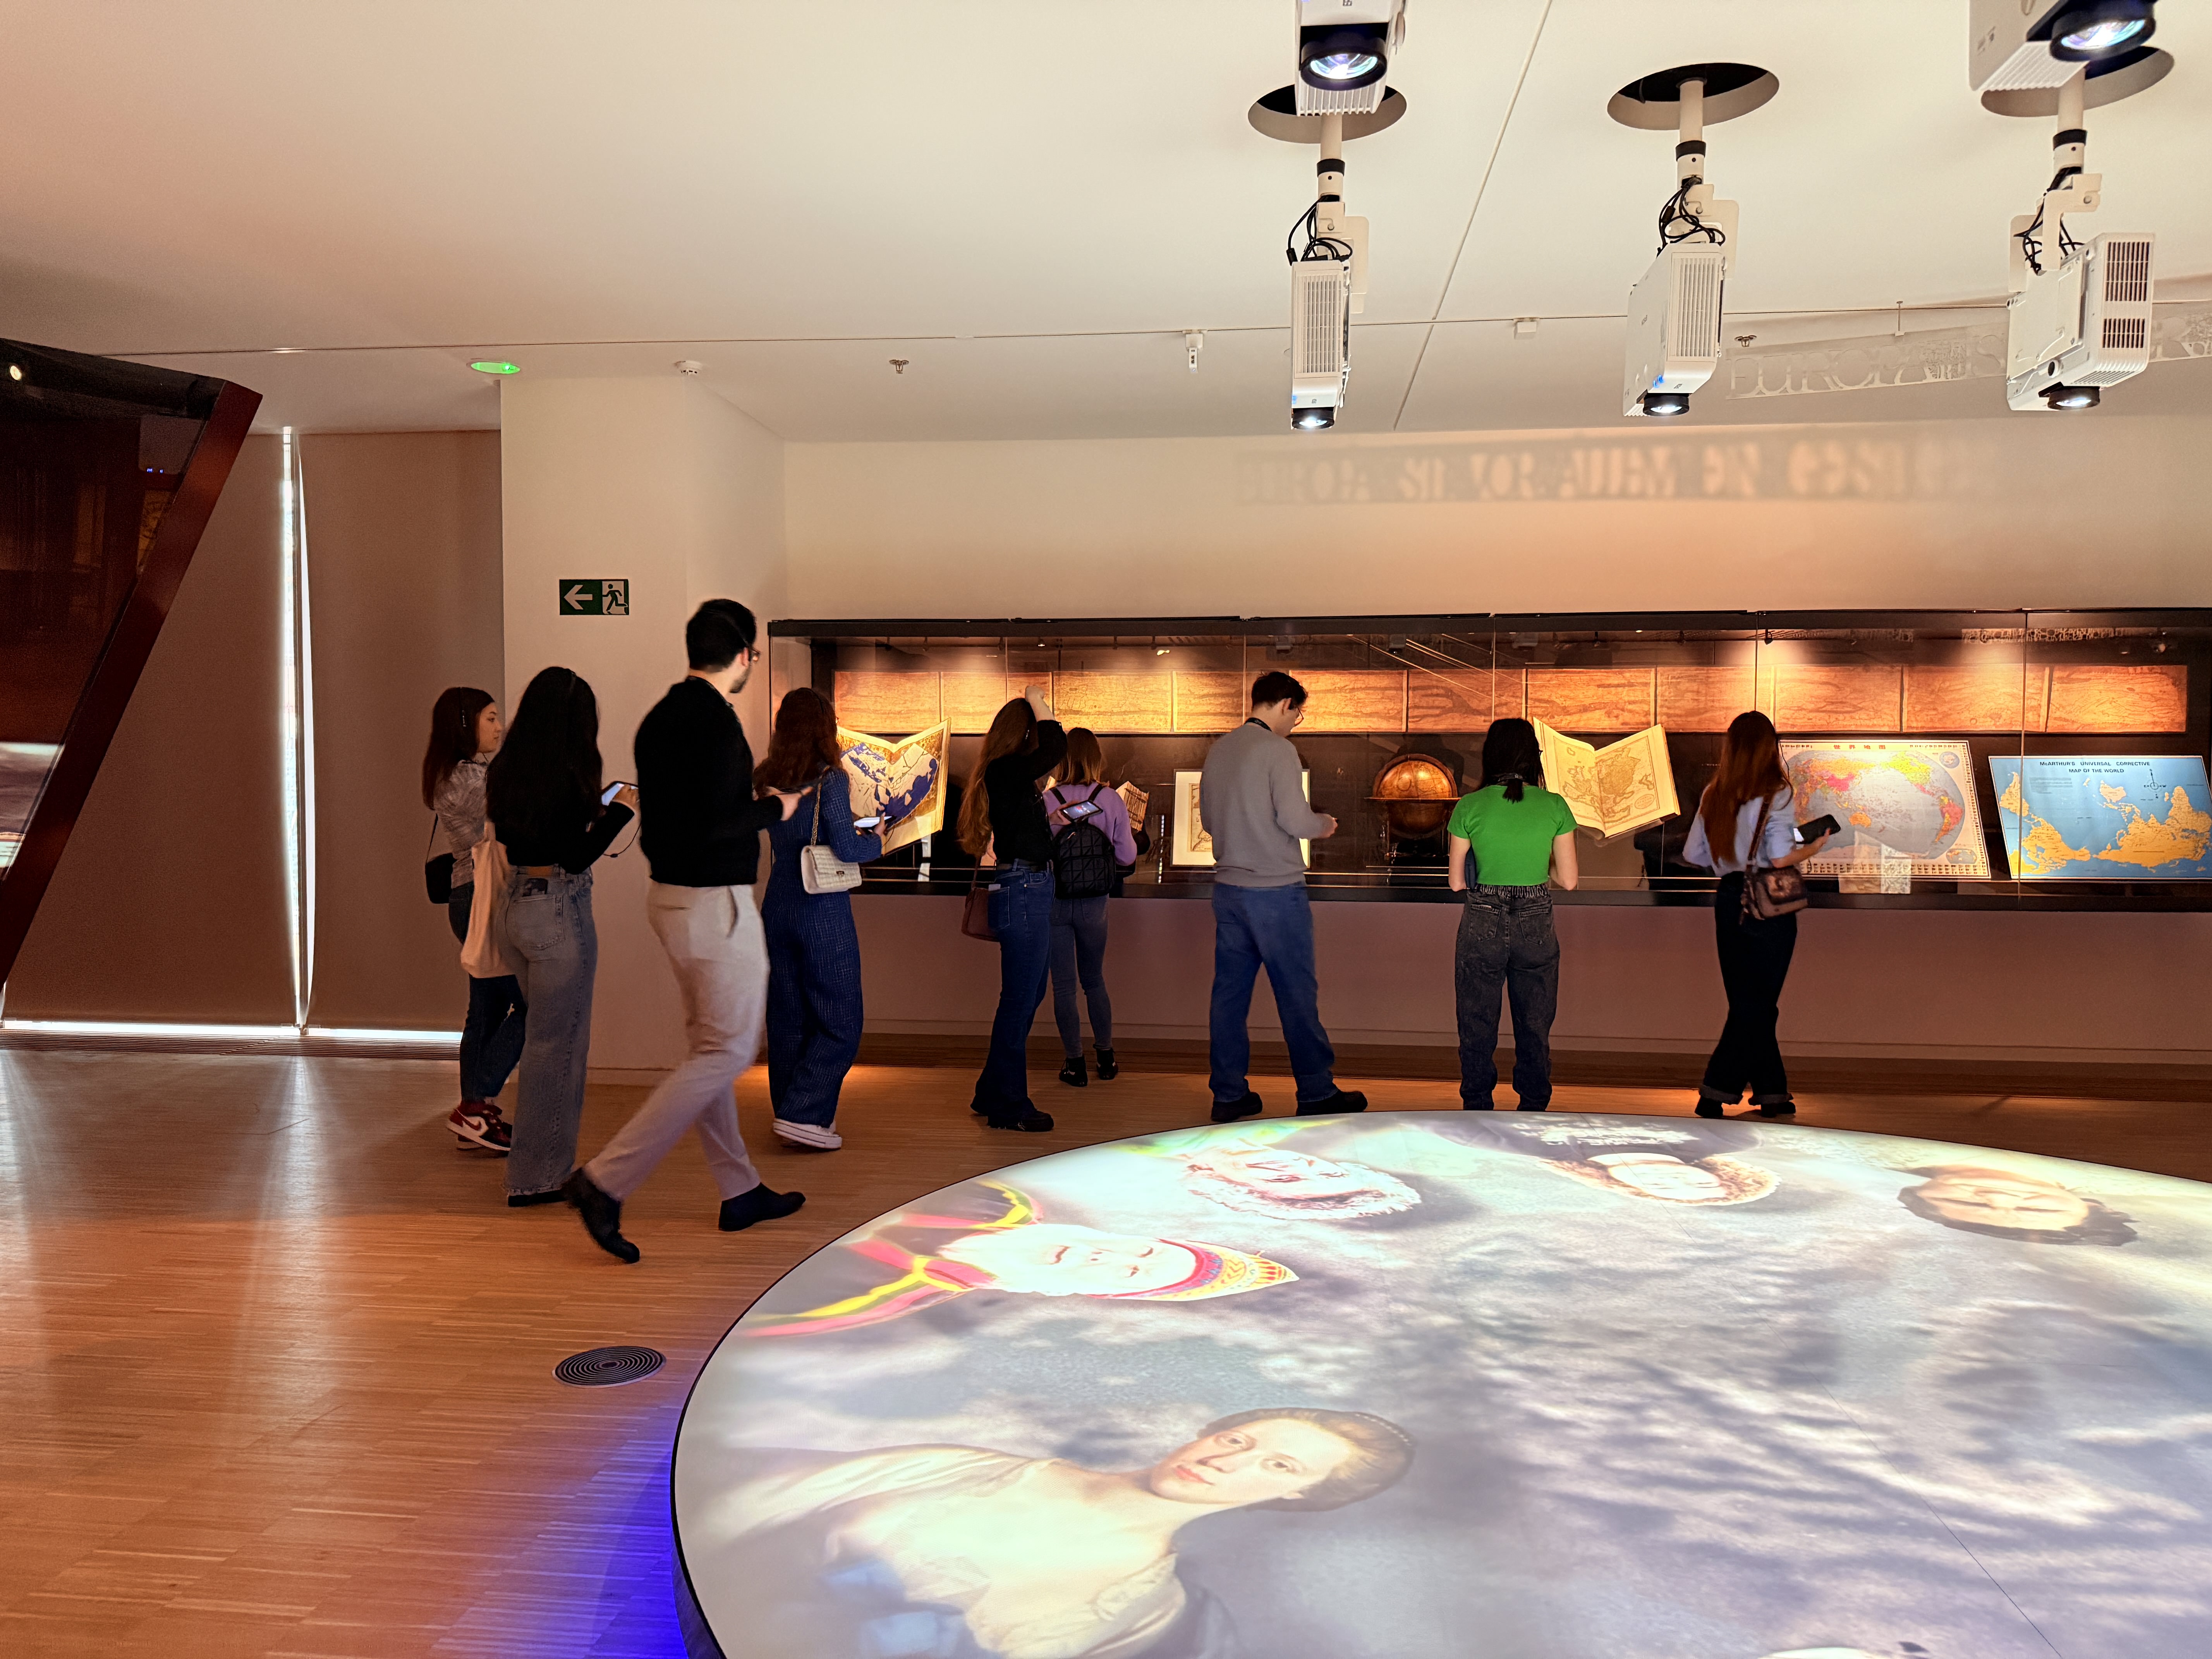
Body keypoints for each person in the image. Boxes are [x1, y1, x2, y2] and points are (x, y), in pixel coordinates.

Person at [707, 1408, 1414, 1659]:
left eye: (1278, 1464)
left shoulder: (1153, 1612)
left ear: (1297, 1493)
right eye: (1237, 1438)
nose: (1226, 1461)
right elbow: (733, 1511)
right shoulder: (974, 1467)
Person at [565, 600, 809, 1263]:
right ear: (744, 656)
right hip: (713, 904)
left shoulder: (660, 717)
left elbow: (685, 815)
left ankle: (740, 1188)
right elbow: (716, 822)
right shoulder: (717, 723)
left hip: (670, 900)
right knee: (726, 1053)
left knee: (710, 1047)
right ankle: (605, 1180)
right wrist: (775, 807)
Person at [740, 1177, 1296, 1336]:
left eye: (1130, 1274)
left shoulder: (868, 1300)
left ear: (1081, 1295)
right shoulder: (1003, 1200)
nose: (1104, 1255)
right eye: (1143, 1249)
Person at [486, 666, 635, 1206]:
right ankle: (538, 1176)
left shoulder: (507, 770)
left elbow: (529, 835)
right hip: (557, 908)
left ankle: (534, 1170)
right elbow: (574, 855)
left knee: (543, 1041)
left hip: (516, 907)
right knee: (560, 1047)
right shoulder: (570, 774)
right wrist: (620, 813)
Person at [1199, 672, 1365, 1124]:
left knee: (1229, 997)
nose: (1296, 722)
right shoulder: (1278, 751)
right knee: (1296, 994)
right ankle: (1316, 1091)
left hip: (1229, 891)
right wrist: (1324, 824)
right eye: (1298, 714)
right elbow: (1295, 820)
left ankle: (1229, 1094)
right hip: (1275, 892)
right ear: (1286, 704)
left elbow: (1209, 821)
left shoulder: (1220, 749)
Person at [1681, 710, 1830, 1120]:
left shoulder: (1714, 792)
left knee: (1750, 1002)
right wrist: (1813, 848)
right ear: (1769, 747)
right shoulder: (1777, 792)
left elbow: (1694, 854)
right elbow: (1780, 857)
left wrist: (1732, 852)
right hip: (1769, 903)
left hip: (1730, 900)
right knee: (1758, 1003)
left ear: (1730, 747)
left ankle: (1772, 1092)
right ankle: (1714, 1091)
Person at [756, 687, 881, 1151]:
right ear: (825, 728)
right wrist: (877, 838)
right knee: (841, 1017)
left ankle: (790, 1113)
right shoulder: (831, 779)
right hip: (821, 907)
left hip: (777, 903)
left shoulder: (766, 776)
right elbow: (846, 847)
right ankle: (804, 1114)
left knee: (787, 1017)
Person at [1445, 717, 1578, 1112]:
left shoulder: (1469, 806)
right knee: (1535, 1024)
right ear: (1533, 757)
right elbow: (1569, 880)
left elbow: (1457, 882)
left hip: (1483, 915)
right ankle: (1534, 1106)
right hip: (1536, 916)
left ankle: (1477, 1105)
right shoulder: (1555, 806)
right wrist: (1540, 861)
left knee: (1476, 1022)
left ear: (1490, 756)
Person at [960, 687, 1068, 1132]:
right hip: (1024, 889)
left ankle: (992, 1090)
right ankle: (1008, 1104)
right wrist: (1037, 699)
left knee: (1026, 996)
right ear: (1025, 736)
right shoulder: (1006, 770)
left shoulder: (1006, 775)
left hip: (1026, 887)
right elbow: (1057, 746)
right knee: (1020, 1000)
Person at [422, 684, 524, 1152]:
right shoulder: (466, 779)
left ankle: (475, 1116)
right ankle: (473, 1107)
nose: (500, 727)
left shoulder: (459, 773)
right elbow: (515, 817)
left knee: (485, 1010)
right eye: (491, 718)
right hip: (482, 898)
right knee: (530, 1005)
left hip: (475, 897)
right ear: (465, 725)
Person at [1043, 728, 1142, 1089]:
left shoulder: (1047, 800)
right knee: (1094, 981)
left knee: (1064, 988)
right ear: (1096, 759)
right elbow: (1127, 856)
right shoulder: (1110, 799)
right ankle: (1106, 1058)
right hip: (1095, 903)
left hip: (1055, 900)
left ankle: (1075, 1064)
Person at [1458, 1114, 1778, 1207]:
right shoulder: (1731, 1140)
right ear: (1717, 1174)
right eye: (1700, 1185)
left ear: (1625, 1187)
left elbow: (1454, 1124)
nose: (1674, 1181)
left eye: (1663, 1189)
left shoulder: (1529, 1148)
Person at [1134, 1127, 1420, 1220]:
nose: (1297, 1167)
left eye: (1283, 1180)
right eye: (1332, 1175)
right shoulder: (1286, 1127)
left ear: (1221, 1182)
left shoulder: (1147, 1147)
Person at [1897, 1163, 2138, 1245]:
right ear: (2091, 1206)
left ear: (1918, 1192)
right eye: (2039, 1209)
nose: (2000, 1198)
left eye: (1959, 1201)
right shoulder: (2117, 1171)